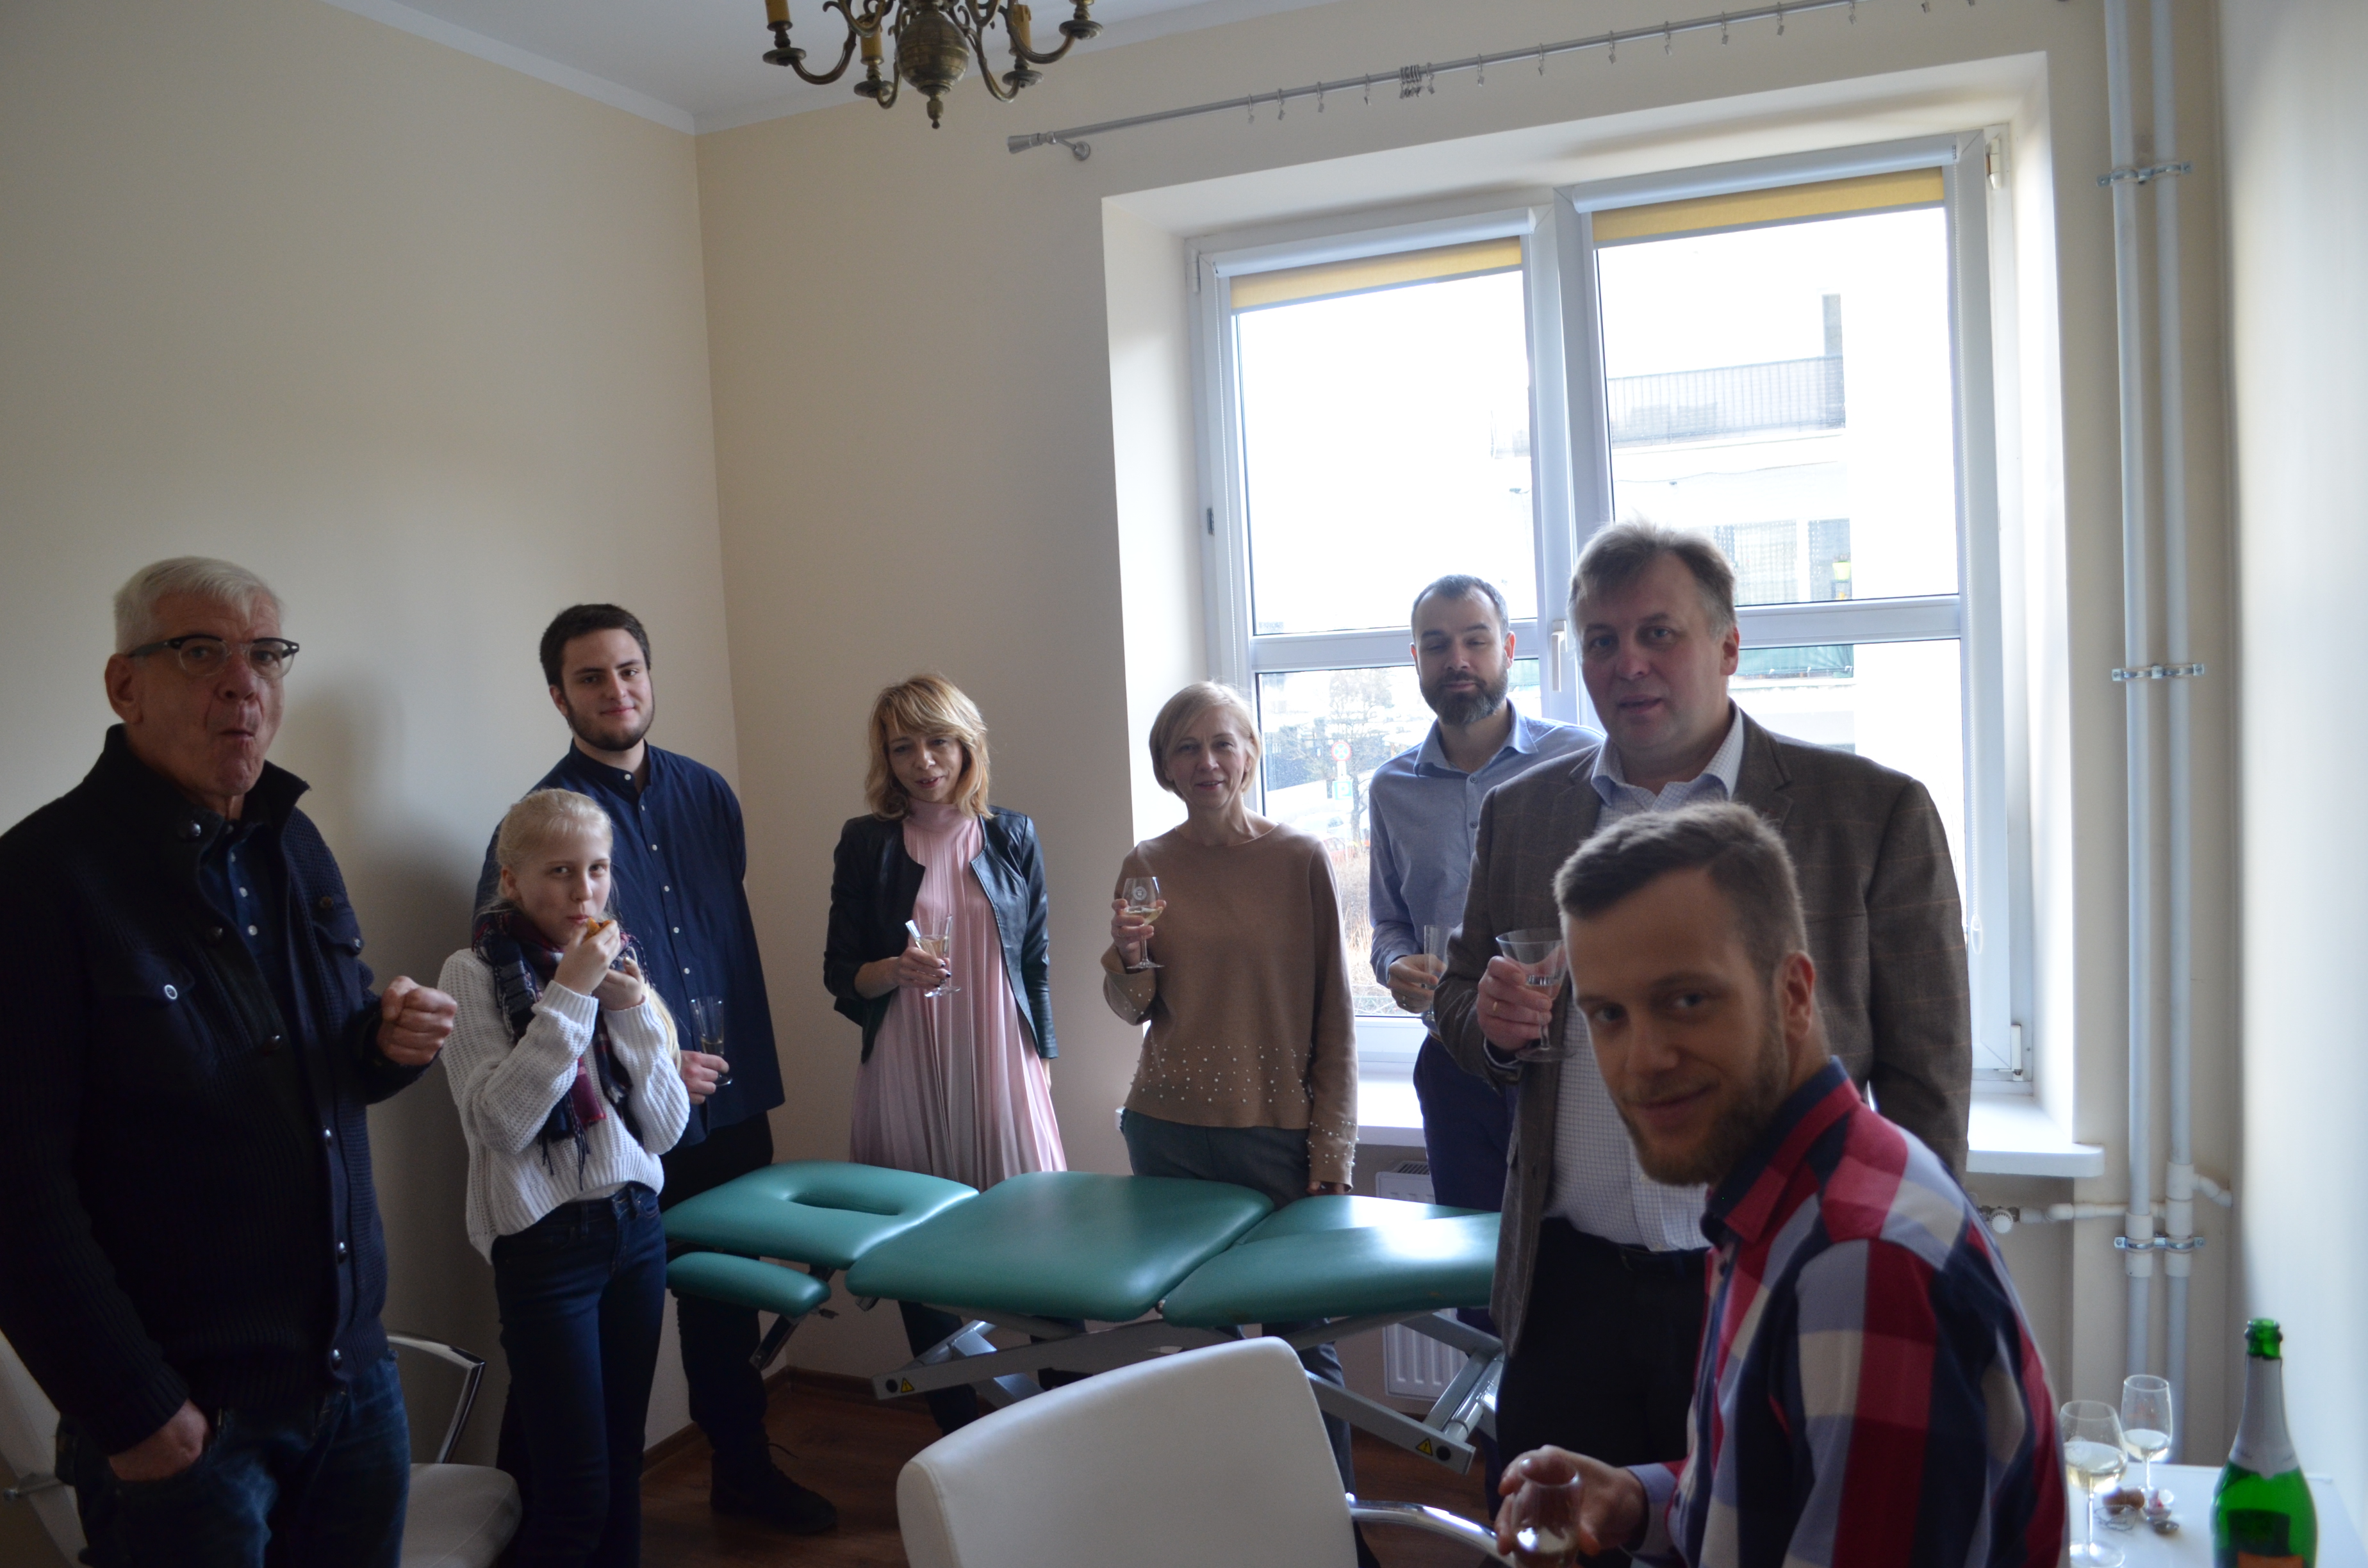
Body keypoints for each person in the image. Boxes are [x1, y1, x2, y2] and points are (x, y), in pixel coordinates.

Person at [1434, 521, 1971, 1514]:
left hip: (1779, 1271)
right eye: (1602, 640)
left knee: (1764, 1532)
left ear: (1728, 646)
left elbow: (1927, 1085)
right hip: (1567, 1287)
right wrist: (1490, 1023)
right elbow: (1461, 1001)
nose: (1628, 663)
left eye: (1658, 633)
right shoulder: (1521, 813)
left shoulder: (1872, 814)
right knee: (1565, 1530)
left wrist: (1910, 1270)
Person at [0, 557, 457, 1567]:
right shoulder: (40, 879)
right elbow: (17, 1188)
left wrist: (385, 1045)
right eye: (202, 652)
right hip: (190, 1425)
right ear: (126, 685)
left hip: (353, 1384)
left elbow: (322, 1069)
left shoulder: (294, 845)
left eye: (266, 655)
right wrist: (134, 1411)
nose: (243, 683)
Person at [1492, 802, 2060, 1568]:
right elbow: (1786, 1479)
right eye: (1608, 1015)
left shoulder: (1856, 1263)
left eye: (1686, 1000)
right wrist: (1637, 1500)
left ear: (1794, 993)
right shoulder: (1797, 1196)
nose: (1642, 1058)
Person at [474, 605, 824, 1533]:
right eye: (590, 677)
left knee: (724, 1306)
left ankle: (743, 1474)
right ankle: (522, 1523)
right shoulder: (542, 826)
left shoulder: (709, 793)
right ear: (559, 697)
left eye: (629, 669)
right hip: (617, 1130)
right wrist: (652, 1061)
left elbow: (716, 934)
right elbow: (519, 988)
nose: (616, 690)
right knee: (573, 1347)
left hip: (728, 1100)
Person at [1103, 682, 1365, 1507]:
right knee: (1203, 1358)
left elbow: (1336, 1017)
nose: (1207, 762)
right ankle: (1239, 1528)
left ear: (1250, 755)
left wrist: (1332, 1152)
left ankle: (1336, 1539)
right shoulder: (1147, 863)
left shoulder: (1299, 860)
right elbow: (1134, 1008)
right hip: (1168, 1133)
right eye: (1187, 747)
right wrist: (1129, 959)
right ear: (1166, 767)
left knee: (1305, 1351)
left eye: (1222, 743)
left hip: (1278, 1141)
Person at [441, 790, 690, 1567]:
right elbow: (503, 1123)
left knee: (622, 1466)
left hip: (636, 1230)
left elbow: (666, 1129)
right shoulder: (472, 974)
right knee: (573, 1495)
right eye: (559, 872)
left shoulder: (618, 966)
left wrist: (636, 1010)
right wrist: (571, 995)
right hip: (546, 1249)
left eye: (598, 869)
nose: (585, 892)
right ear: (511, 881)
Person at [823, 674, 1065, 1433]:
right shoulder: (866, 843)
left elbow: (1036, 962)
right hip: (906, 1058)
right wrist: (894, 971)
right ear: (885, 757)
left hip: (1001, 1056)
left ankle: (1070, 1426)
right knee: (920, 1259)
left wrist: (1041, 1063)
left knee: (1044, 1251)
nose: (923, 761)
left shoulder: (1012, 834)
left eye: (938, 742)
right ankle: (959, 1439)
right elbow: (840, 973)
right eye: (903, 747)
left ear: (967, 746)